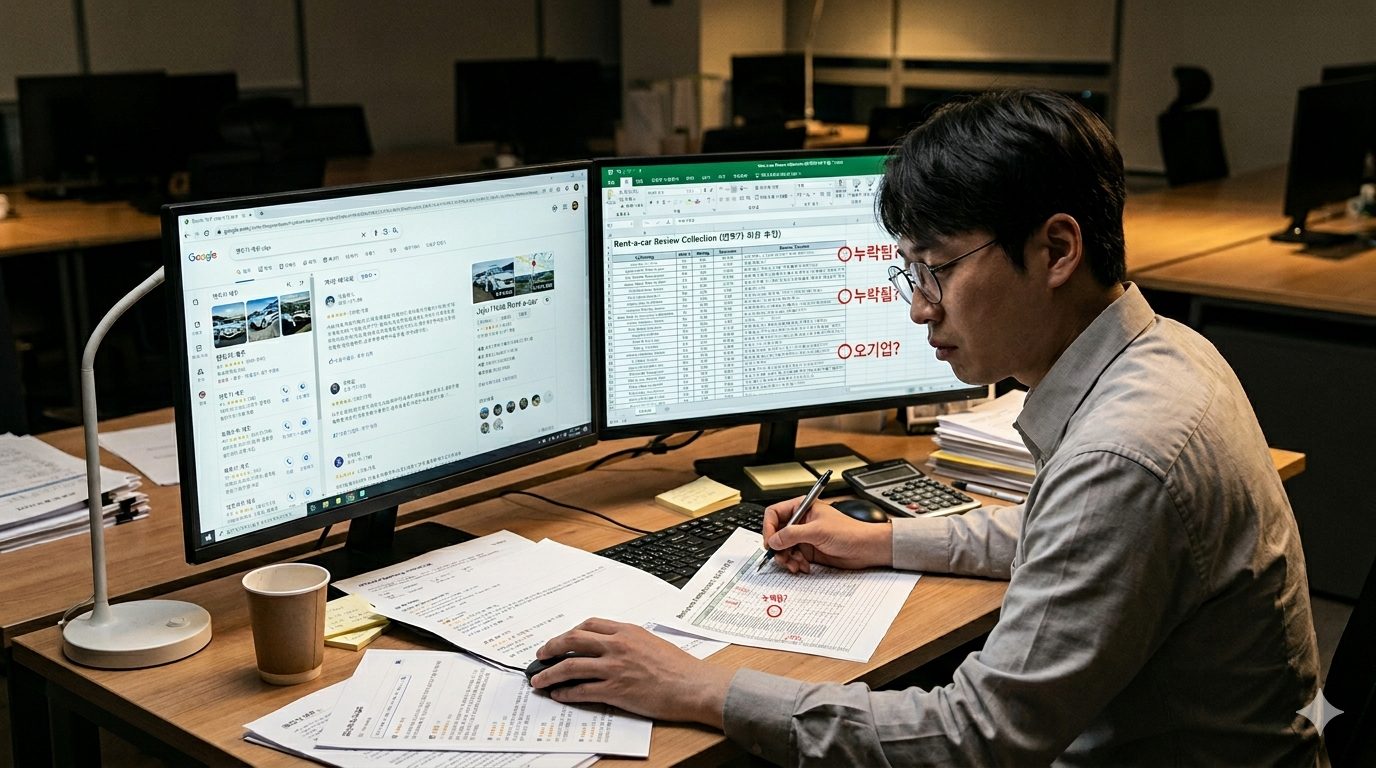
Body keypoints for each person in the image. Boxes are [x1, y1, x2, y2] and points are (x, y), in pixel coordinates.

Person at [532, 90, 1322, 766]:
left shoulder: (1127, 452)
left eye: (937, 268)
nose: (918, 307)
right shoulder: (1164, 350)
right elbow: (1064, 536)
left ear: (1056, 249)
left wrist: (697, 687)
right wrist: (879, 542)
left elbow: (976, 740)